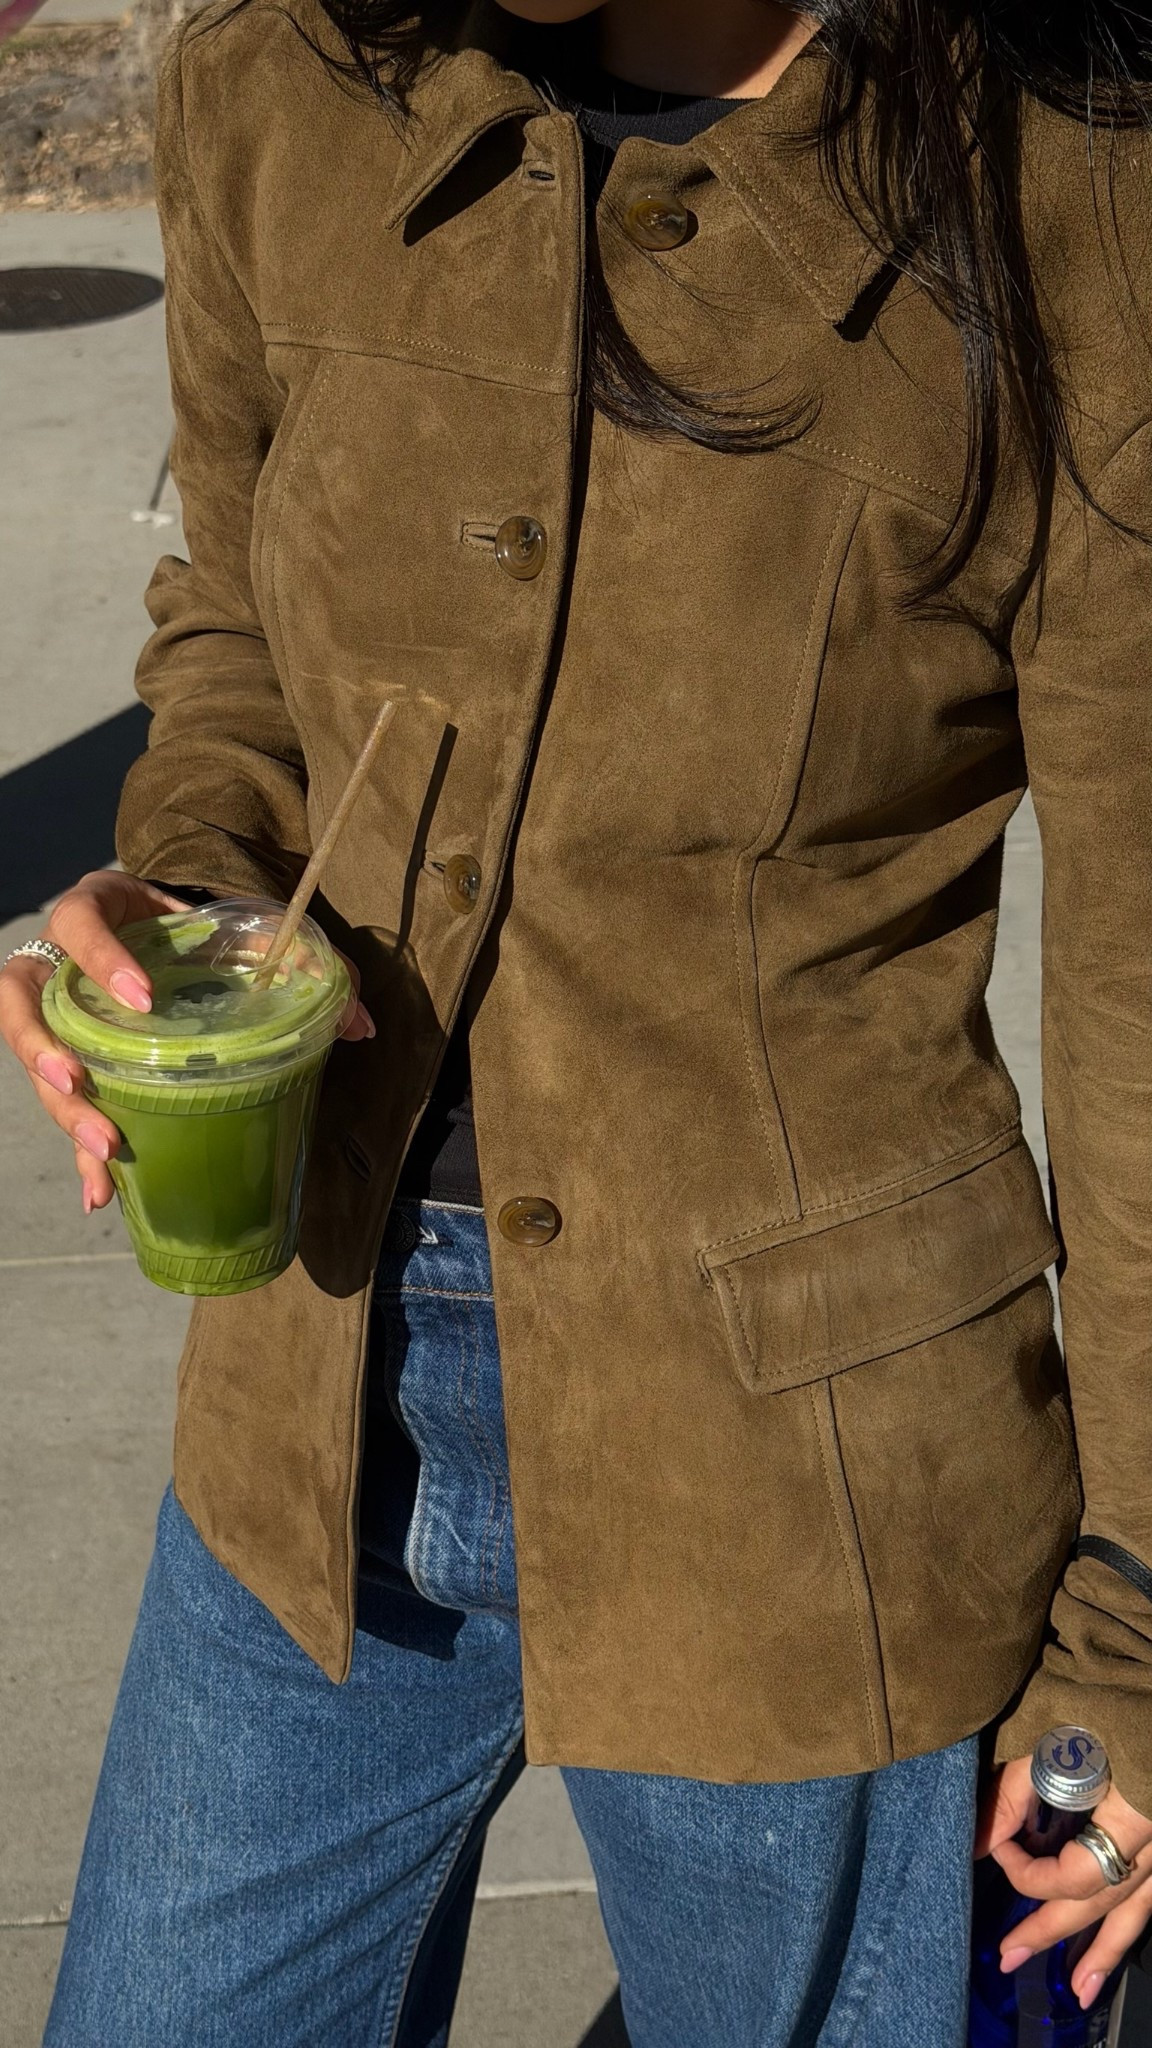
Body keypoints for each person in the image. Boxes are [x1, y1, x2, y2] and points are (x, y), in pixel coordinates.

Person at [4, 0, 1152, 2040]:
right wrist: (187, 890)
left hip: (808, 1508)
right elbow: (247, 624)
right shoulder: (280, 78)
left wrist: (1136, 1624)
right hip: (308, 1408)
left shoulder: (1074, 195)